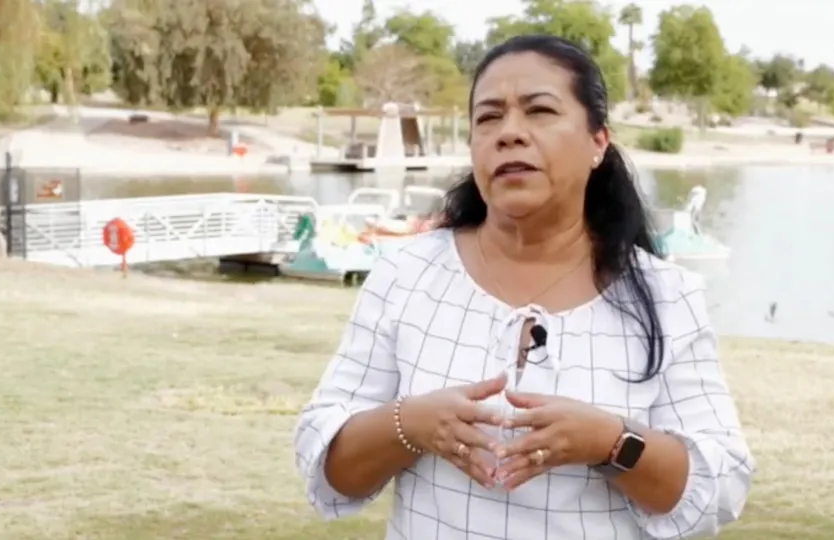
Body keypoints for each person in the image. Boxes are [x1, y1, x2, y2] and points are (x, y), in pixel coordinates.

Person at [294, 34, 755, 540]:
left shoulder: (666, 296)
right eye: (488, 117)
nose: (509, 133)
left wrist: (609, 442)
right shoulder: (406, 274)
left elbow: (719, 488)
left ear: (598, 142)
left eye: (540, 111)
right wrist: (411, 424)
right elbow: (328, 468)